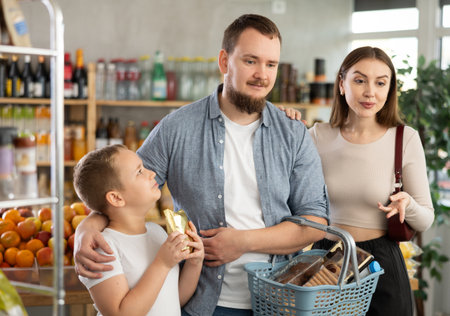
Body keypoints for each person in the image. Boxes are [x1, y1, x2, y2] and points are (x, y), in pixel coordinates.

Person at [74, 14, 329, 316]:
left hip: (278, 300)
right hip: (201, 302)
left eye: (271, 64)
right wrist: (86, 227)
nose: (262, 74)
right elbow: (120, 185)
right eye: (250, 61)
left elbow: (315, 223)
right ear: (224, 61)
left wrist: (243, 241)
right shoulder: (176, 128)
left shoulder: (294, 133)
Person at [309, 46, 434, 316]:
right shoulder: (317, 136)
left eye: (380, 83)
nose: (370, 92)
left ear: (390, 89)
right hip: (325, 261)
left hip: (381, 265)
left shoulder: (405, 138)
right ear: (342, 84)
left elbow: (425, 219)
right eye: (359, 80)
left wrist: (407, 204)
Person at [72, 144, 204, 316]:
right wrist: (162, 264)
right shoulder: (101, 248)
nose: (152, 173)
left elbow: (174, 298)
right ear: (116, 198)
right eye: (139, 171)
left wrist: (195, 263)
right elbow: (120, 313)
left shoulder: (157, 232)